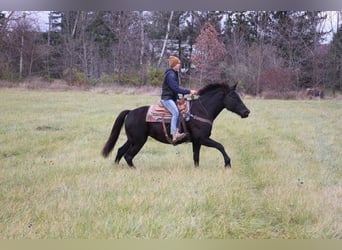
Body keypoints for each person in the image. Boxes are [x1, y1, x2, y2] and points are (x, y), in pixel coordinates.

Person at [161, 55, 197, 143]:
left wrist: (179, 98)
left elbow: (175, 90)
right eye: (178, 63)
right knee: (175, 112)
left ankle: (179, 130)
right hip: (167, 99)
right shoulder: (170, 75)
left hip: (172, 98)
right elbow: (176, 88)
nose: (179, 65)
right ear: (174, 65)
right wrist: (189, 91)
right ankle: (174, 134)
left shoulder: (174, 73)